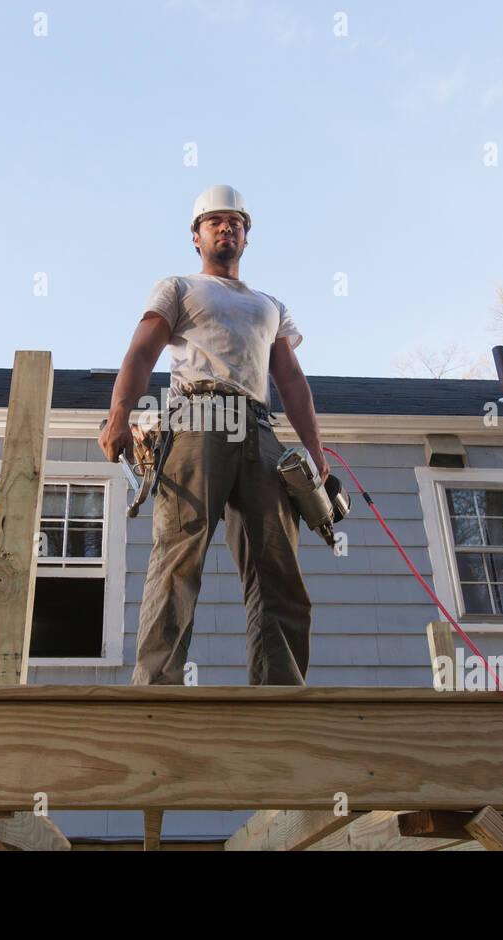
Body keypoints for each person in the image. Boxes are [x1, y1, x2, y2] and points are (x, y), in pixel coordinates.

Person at [97, 184, 328, 685]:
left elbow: (290, 380)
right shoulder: (179, 287)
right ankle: (157, 685)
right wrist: (119, 414)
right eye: (216, 221)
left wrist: (314, 450)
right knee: (181, 550)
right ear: (197, 236)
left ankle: (281, 691)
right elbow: (141, 353)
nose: (228, 228)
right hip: (197, 418)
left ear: (247, 238)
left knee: (277, 565)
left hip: (260, 429)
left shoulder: (271, 306)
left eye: (237, 223)